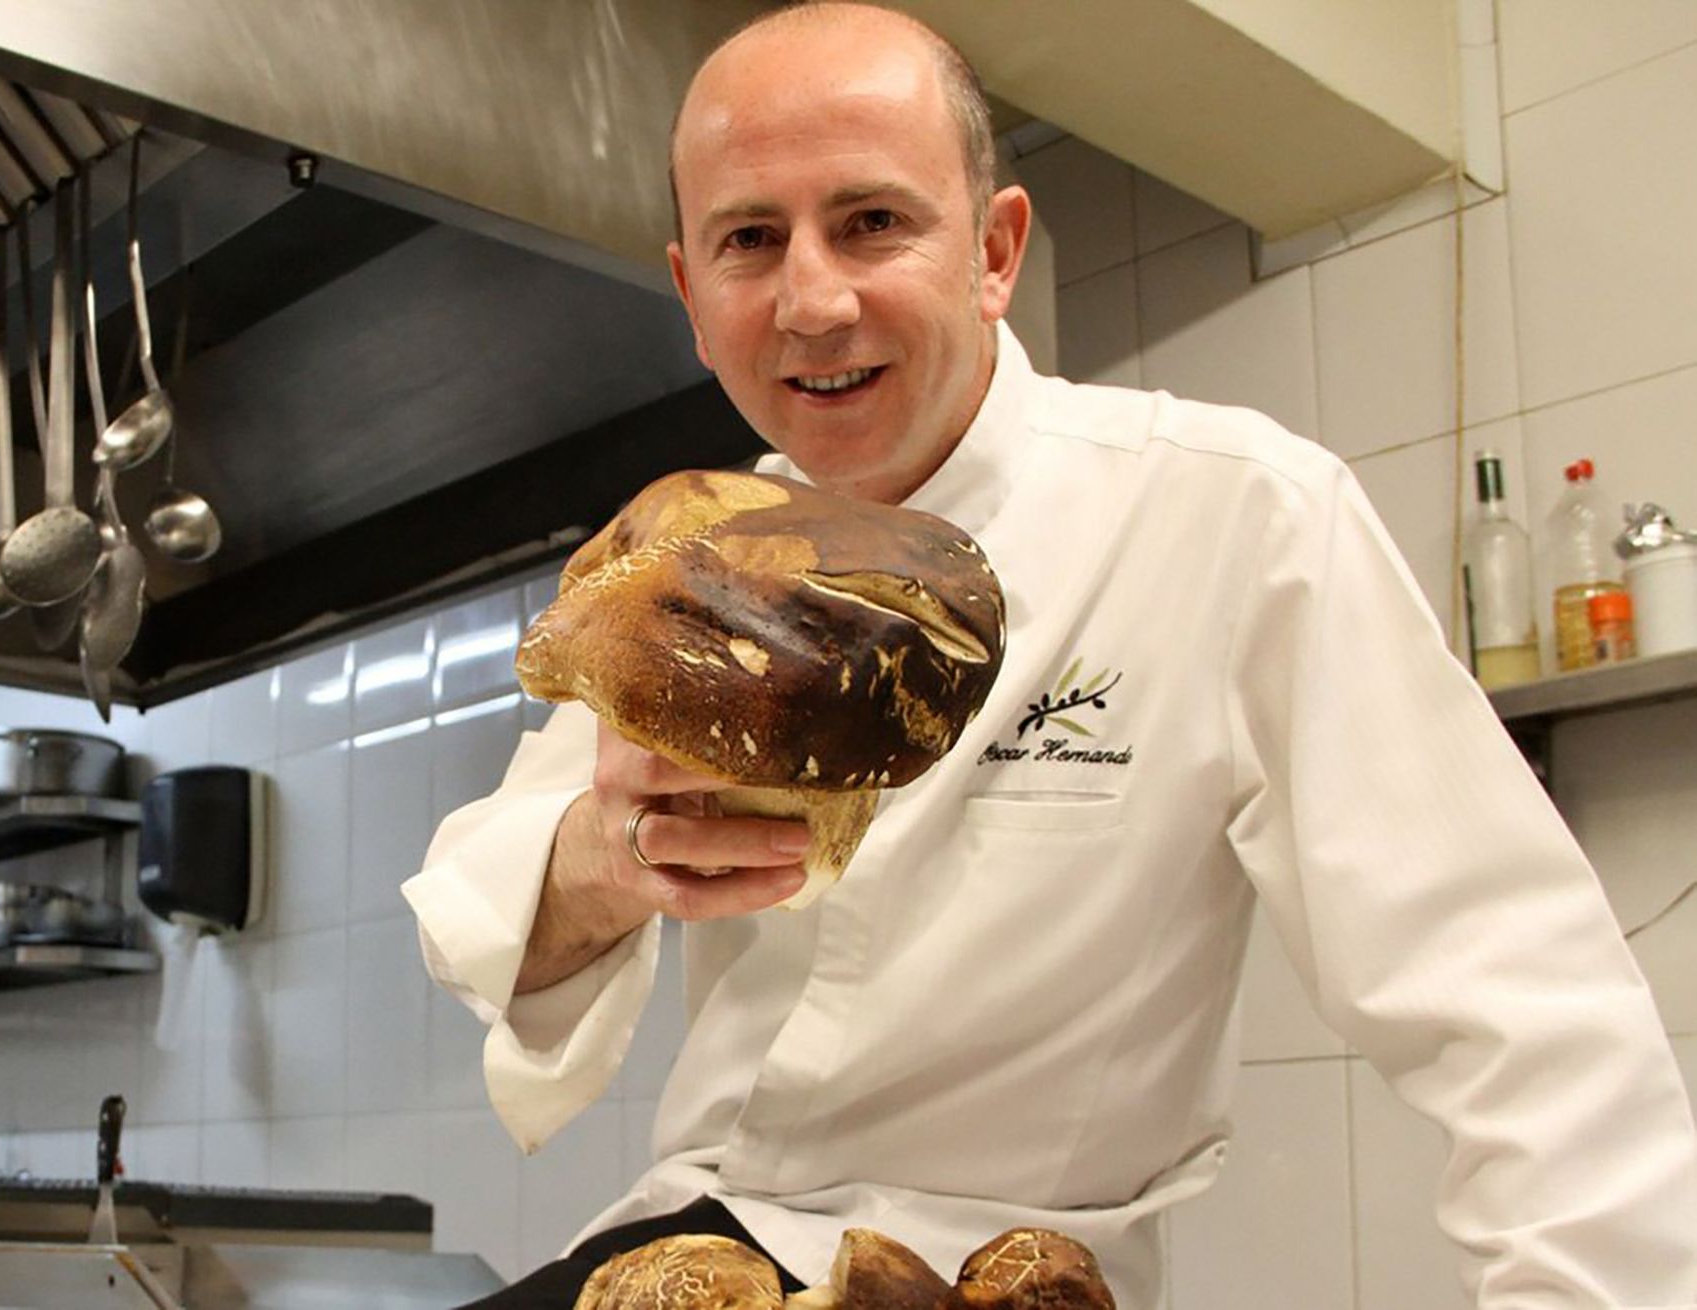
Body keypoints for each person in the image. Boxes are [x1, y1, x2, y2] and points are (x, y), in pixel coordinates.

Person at [401, 5, 1697, 1307]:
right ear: (691, 293)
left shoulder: (1228, 515)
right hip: (703, 1249)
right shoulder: (693, 561)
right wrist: (611, 856)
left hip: (1010, 1274)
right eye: (750, 239)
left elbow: (1519, 1003)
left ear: (995, 250)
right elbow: (491, 914)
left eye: (870, 222)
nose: (811, 299)